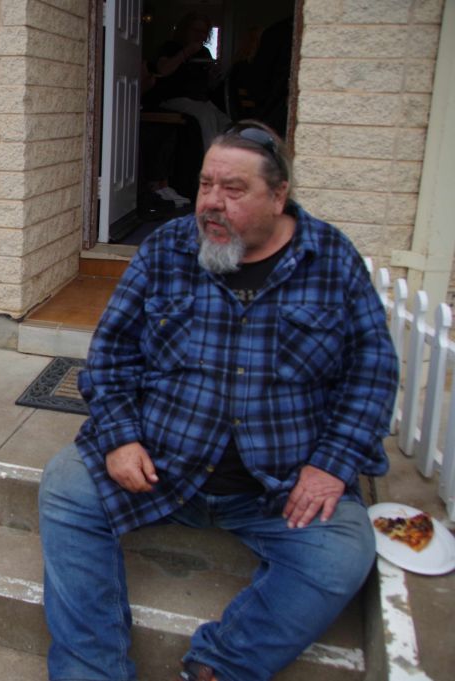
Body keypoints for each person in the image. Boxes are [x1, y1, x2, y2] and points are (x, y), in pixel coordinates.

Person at [38, 121, 398, 681]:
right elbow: (111, 353)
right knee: (66, 489)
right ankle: (93, 670)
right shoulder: (168, 248)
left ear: (278, 195)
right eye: (206, 184)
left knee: (342, 553)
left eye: (233, 189)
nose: (211, 201)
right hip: (162, 467)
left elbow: (372, 374)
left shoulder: (331, 260)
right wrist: (120, 438)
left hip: (275, 488)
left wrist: (331, 466)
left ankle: (221, 666)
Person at [151, 12, 233, 150]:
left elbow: (209, 85)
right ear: (185, 30)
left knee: (228, 124)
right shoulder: (171, 46)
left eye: (204, 32)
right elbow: (163, 70)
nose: (200, 35)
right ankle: (209, 160)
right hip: (174, 98)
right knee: (206, 117)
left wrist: (213, 75)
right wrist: (186, 52)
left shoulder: (204, 52)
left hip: (202, 100)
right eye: (196, 30)